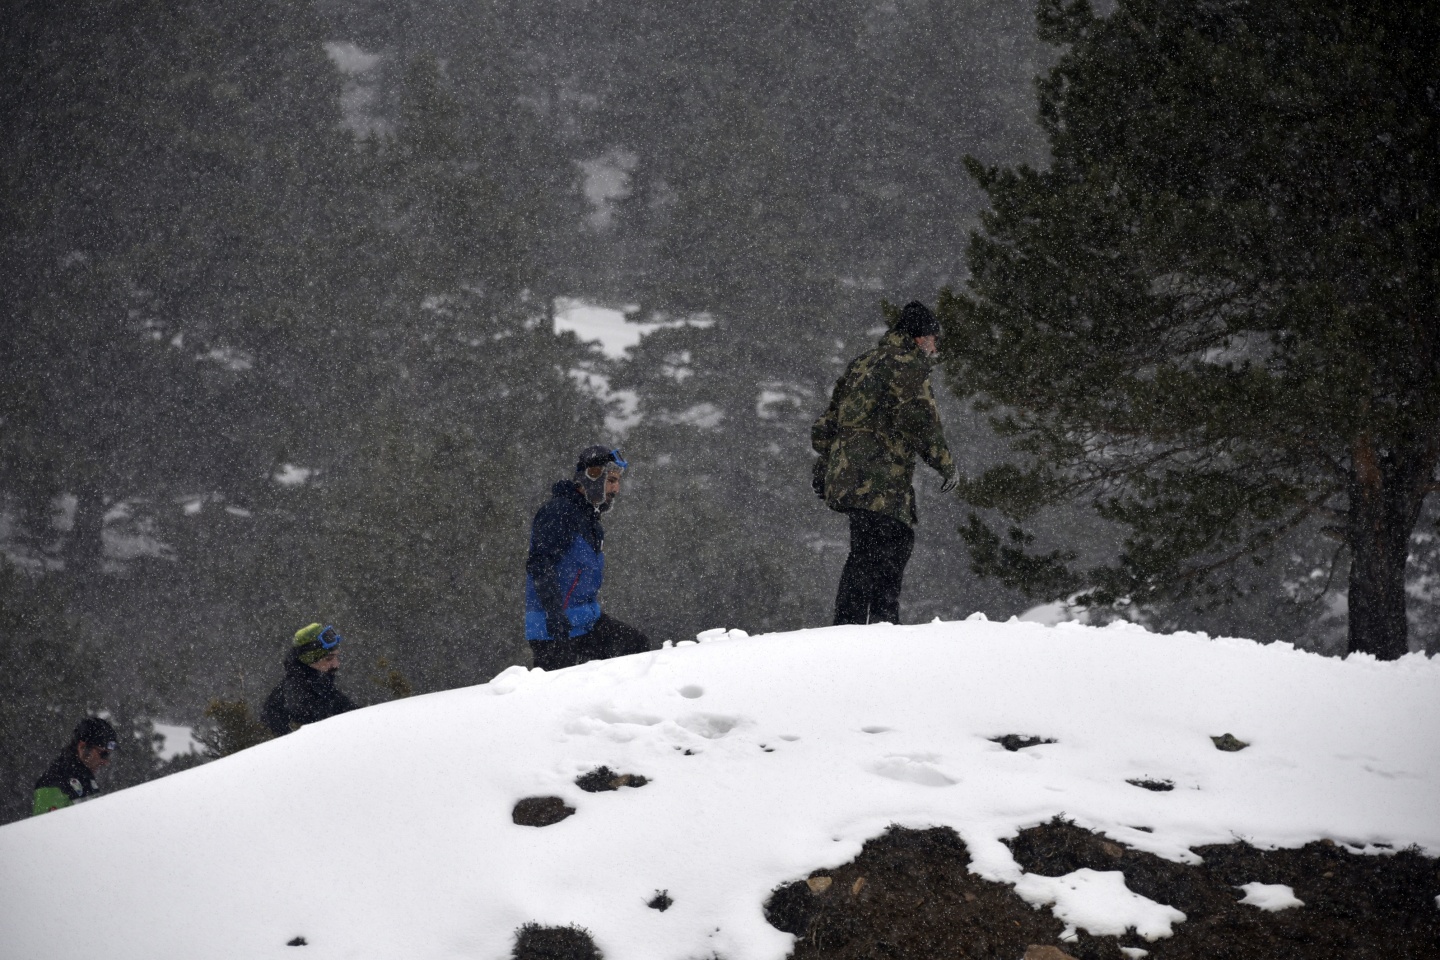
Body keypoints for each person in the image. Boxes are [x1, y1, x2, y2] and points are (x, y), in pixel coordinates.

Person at [812, 300, 957, 625]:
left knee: (866, 549)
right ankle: (879, 627)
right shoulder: (906, 366)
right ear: (920, 338)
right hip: (881, 480)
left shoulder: (862, 363)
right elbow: (919, 422)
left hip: (850, 476)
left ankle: (856, 626)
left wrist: (826, 465)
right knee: (890, 545)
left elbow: (827, 423)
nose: (935, 347)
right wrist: (946, 464)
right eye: (934, 339)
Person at [525, 445, 651, 670]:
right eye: (611, 480)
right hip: (555, 629)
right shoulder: (560, 512)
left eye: (617, 482)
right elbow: (540, 564)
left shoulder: (589, 518)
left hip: (586, 622)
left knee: (635, 646)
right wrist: (554, 615)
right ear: (593, 477)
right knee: (558, 696)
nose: (616, 489)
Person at [261, 623, 356, 737]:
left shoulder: (319, 685)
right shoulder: (298, 694)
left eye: (336, 657)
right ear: (311, 660)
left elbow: (352, 712)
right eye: (329, 658)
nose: (336, 664)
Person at [32, 716, 118, 816]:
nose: (106, 762)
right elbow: (45, 829)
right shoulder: (52, 783)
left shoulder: (86, 778)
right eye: (103, 754)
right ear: (82, 747)